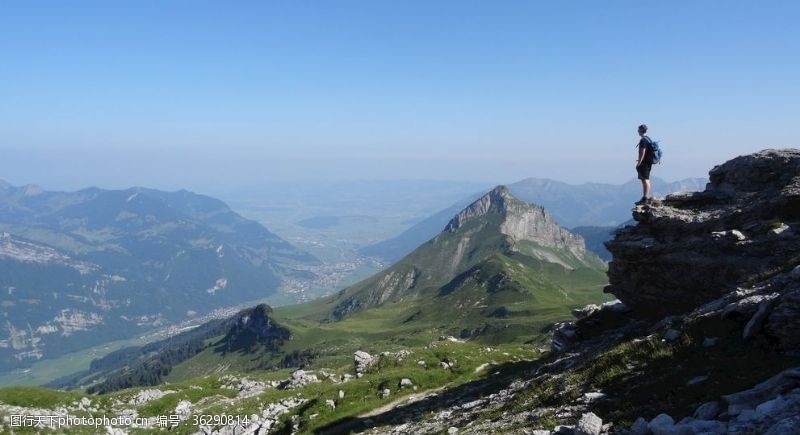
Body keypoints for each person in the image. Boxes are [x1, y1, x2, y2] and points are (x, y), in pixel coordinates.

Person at [635, 124, 654, 205]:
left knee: (645, 180)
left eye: (638, 130)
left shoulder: (643, 140)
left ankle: (645, 198)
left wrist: (639, 162)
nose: (638, 131)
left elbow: (642, 152)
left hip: (644, 163)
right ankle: (646, 197)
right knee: (646, 179)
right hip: (649, 162)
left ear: (640, 131)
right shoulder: (649, 139)